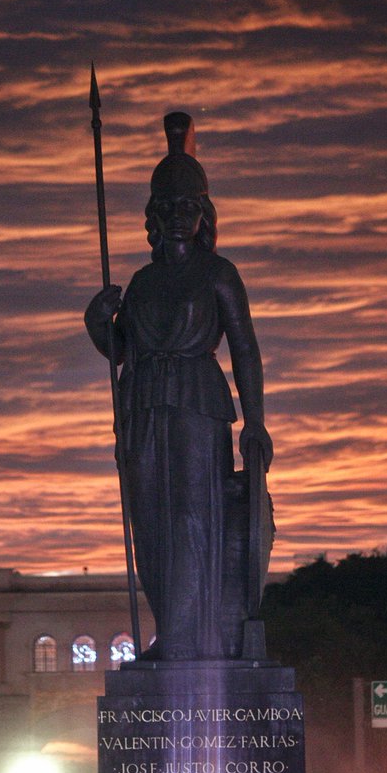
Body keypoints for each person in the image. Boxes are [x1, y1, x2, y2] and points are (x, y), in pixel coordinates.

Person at [85, 112, 272, 660]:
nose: (175, 217)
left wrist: (255, 419)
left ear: (203, 213)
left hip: (197, 403)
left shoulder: (219, 274)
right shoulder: (141, 282)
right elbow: (123, 352)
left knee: (193, 517)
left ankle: (197, 637)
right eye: (165, 208)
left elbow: (245, 349)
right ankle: (171, 630)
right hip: (143, 406)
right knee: (151, 522)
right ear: (151, 215)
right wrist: (99, 324)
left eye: (186, 207)